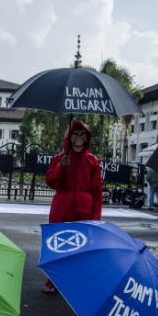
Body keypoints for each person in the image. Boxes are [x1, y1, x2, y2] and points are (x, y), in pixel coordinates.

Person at [42, 118, 103, 293]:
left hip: (84, 209)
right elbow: (51, 181)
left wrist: (95, 218)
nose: (78, 139)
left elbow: (97, 192)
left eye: (82, 135)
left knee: (81, 247)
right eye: (75, 135)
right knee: (57, 244)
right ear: (68, 137)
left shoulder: (92, 161)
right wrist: (61, 167)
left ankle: (77, 281)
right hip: (62, 207)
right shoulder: (59, 159)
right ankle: (53, 281)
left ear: (87, 139)